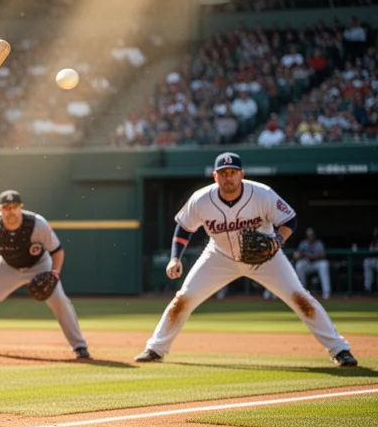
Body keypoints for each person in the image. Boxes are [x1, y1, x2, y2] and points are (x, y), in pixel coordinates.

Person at [136, 152, 355, 367]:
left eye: (232, 172)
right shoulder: (201, 199)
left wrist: (277, 241)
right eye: (223, 173)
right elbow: (184, 228)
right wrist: (175, 258)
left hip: (265, 257)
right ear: (215, 176)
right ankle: (155, 348)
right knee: (183, 299)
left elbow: (290, 219)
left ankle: (340, 349)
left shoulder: (262, 194)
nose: (228, 177)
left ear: (242, 174)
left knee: (300, 298)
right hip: (219, 256)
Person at [0, 190, 90, 359]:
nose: (11, 211)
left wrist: (54, 274)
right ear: (0, 209)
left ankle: (79, 346)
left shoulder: (37, 224)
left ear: (21, 207)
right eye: (6, 207)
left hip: (39, 265)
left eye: (14, 206)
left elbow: (57, 251)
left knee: (59, 300)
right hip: (8, 266)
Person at [294, 227, 332, 299]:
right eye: (309, 235)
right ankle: (302, 291)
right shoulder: (303, 243)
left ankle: (326, 292)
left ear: (314, 235)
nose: (311, 237)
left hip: (317, 263)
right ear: (307, 236)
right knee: (299, 265)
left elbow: (323, 254)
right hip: (307, 263)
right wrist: (300, 255)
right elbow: (297, 255)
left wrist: (312, 256)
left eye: (312, 235)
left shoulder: (319, 243)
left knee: (324, 264)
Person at [364, 227, 378, 294]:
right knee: (366, 262)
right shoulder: (372, 240)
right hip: (372, 259)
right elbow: (370, 251)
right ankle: (367, 288)